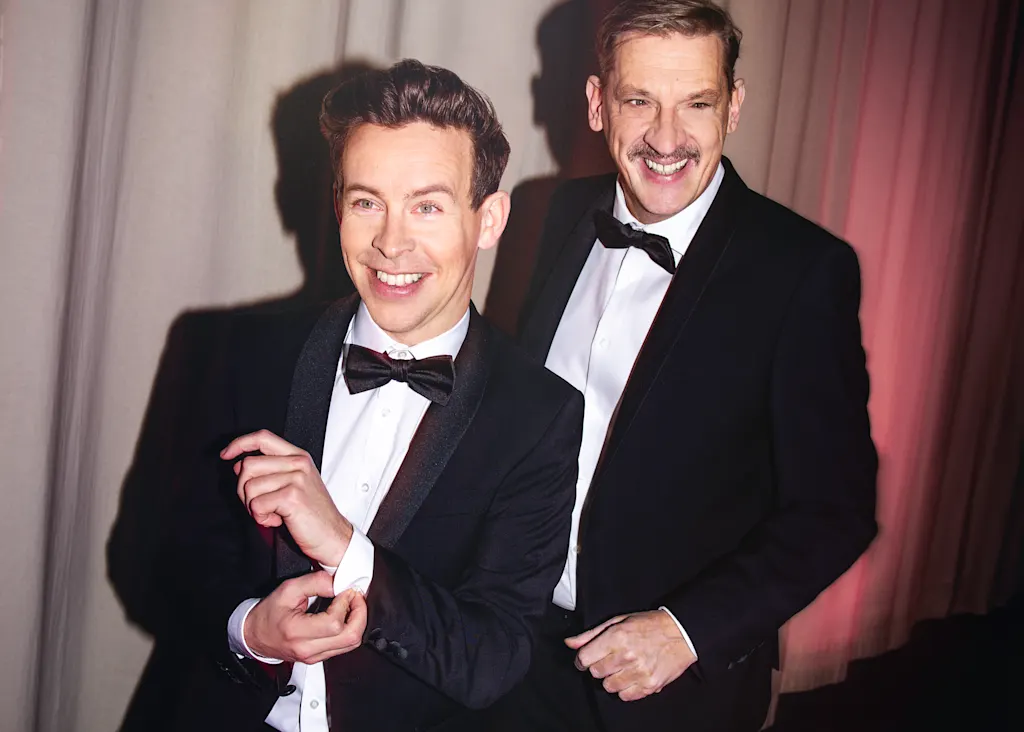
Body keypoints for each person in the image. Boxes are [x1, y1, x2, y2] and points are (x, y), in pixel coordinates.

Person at [487, 1, 878, 731]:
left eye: (696, 103)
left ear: (733, 106)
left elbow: (835, 512)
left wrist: (687, 631)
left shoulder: (802, 271)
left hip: (671, 691)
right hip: (519, 654)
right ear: (598, 104)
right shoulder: (557, 213)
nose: (666, 138)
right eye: (639, 100)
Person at [165, 59, 583, 732]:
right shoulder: (244, 352)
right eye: (367, 202)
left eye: (427, 206)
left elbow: (495, 657)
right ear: (338, 207)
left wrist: (346, 549)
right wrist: (250, 630)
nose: (391, 243)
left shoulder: (540, 415)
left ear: (489, 219)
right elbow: (168, 557)